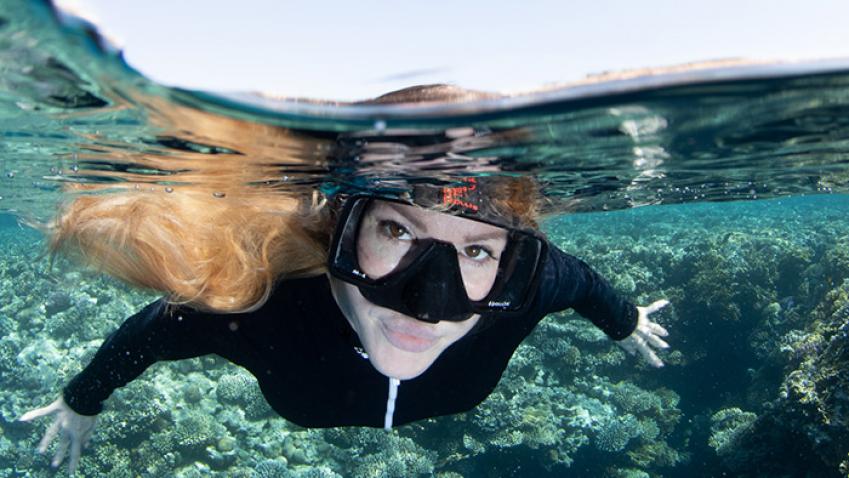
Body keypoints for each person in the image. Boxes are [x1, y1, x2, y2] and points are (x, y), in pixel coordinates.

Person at [19, 85, 670, 474]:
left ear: (511, 258)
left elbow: (582, 281)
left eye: (476, 251)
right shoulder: (259, 305)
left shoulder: (524, 283)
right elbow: (150, 333)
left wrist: (626, 320)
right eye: (395, 233)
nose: (430, 306)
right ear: (341, 232)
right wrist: (83, 400)